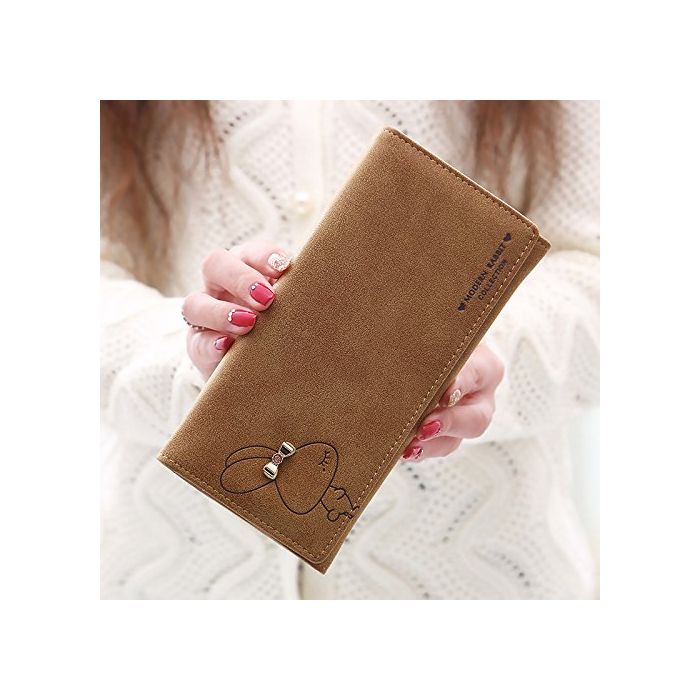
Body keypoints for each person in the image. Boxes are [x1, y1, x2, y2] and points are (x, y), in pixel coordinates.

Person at [101, 100, 599, 599]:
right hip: (173, 577)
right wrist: (201, 362)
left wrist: (469, 355)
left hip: (481, 579)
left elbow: (597, 275)